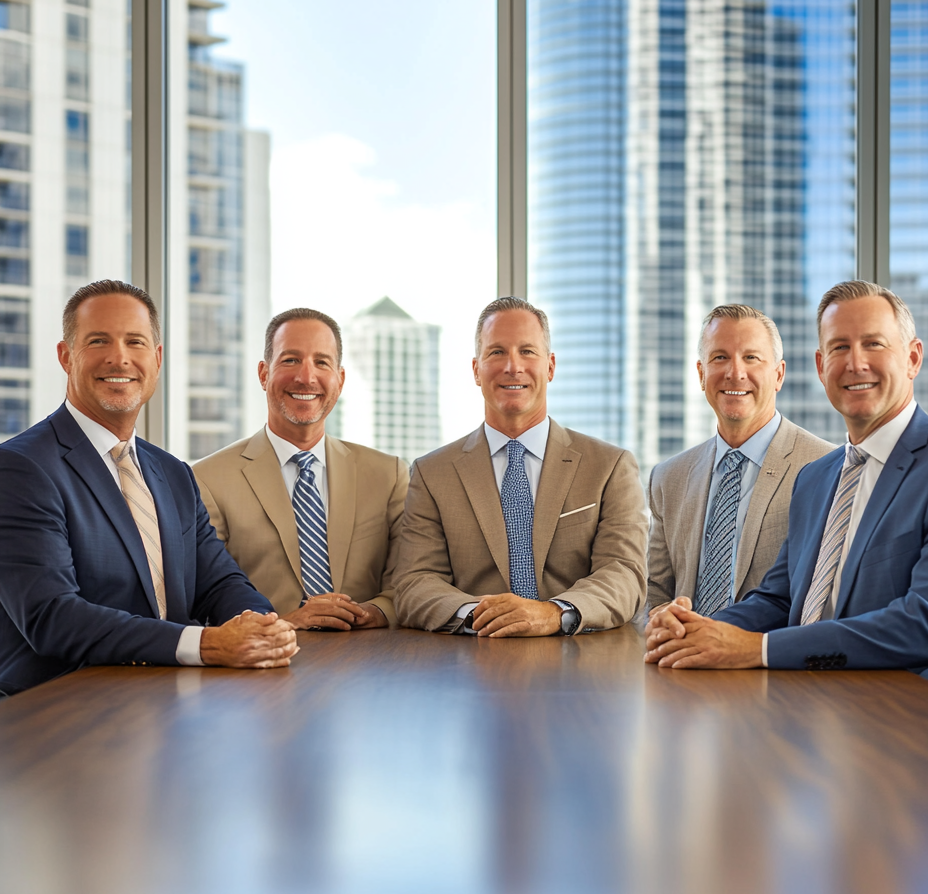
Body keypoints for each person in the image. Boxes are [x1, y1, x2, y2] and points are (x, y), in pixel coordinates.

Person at [645, 280, 928, 692]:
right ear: (821, 367)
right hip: (809, 705)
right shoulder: (817, 478)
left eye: (873, 344)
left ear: (912, 359)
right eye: (839, 347)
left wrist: (758, 649)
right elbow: (779, 600)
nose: (855, 363)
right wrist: (696, 630)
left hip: (922, 722)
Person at [0, 279, 297, 696]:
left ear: (156, 360)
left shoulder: (173, 473)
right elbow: (52, 617)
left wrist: (265, 627)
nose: (119, 358)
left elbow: (219, 582)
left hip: (166, 702)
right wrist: (207, 643)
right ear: (66, 357)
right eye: (99, 340)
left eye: (135, 342)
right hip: (58, 713)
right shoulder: (20, 467)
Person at [395, 296, 647, 637]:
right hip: (471, 662)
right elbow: (414, 583)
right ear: (476, 369)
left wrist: (552, 613)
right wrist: (485, 616)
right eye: (496, 352)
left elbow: (624, 574)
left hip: (584, 666)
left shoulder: (609, 466)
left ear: (551, 366)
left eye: (527, 351)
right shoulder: (431, 473)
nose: (512, 366)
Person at [193, 308, 408, 630]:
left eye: (321, 362)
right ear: (264, 374)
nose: (306, 377)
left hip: (370, 661)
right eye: (290, 360)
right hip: (260, 665)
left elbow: (409, 579)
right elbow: (206, 593)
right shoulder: (208, 480)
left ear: (340, 378)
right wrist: (287, 623)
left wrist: (374, 612)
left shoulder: (388, 475)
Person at [647, 304, 832, 619]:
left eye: (751, 358)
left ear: (779, 374)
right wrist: (661, 617)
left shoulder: (827, 467)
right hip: (681, 659)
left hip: (775, 662)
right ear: (701, 373)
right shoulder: (669, 477)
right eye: (720, 357)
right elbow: (652, 593)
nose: (735, 372)